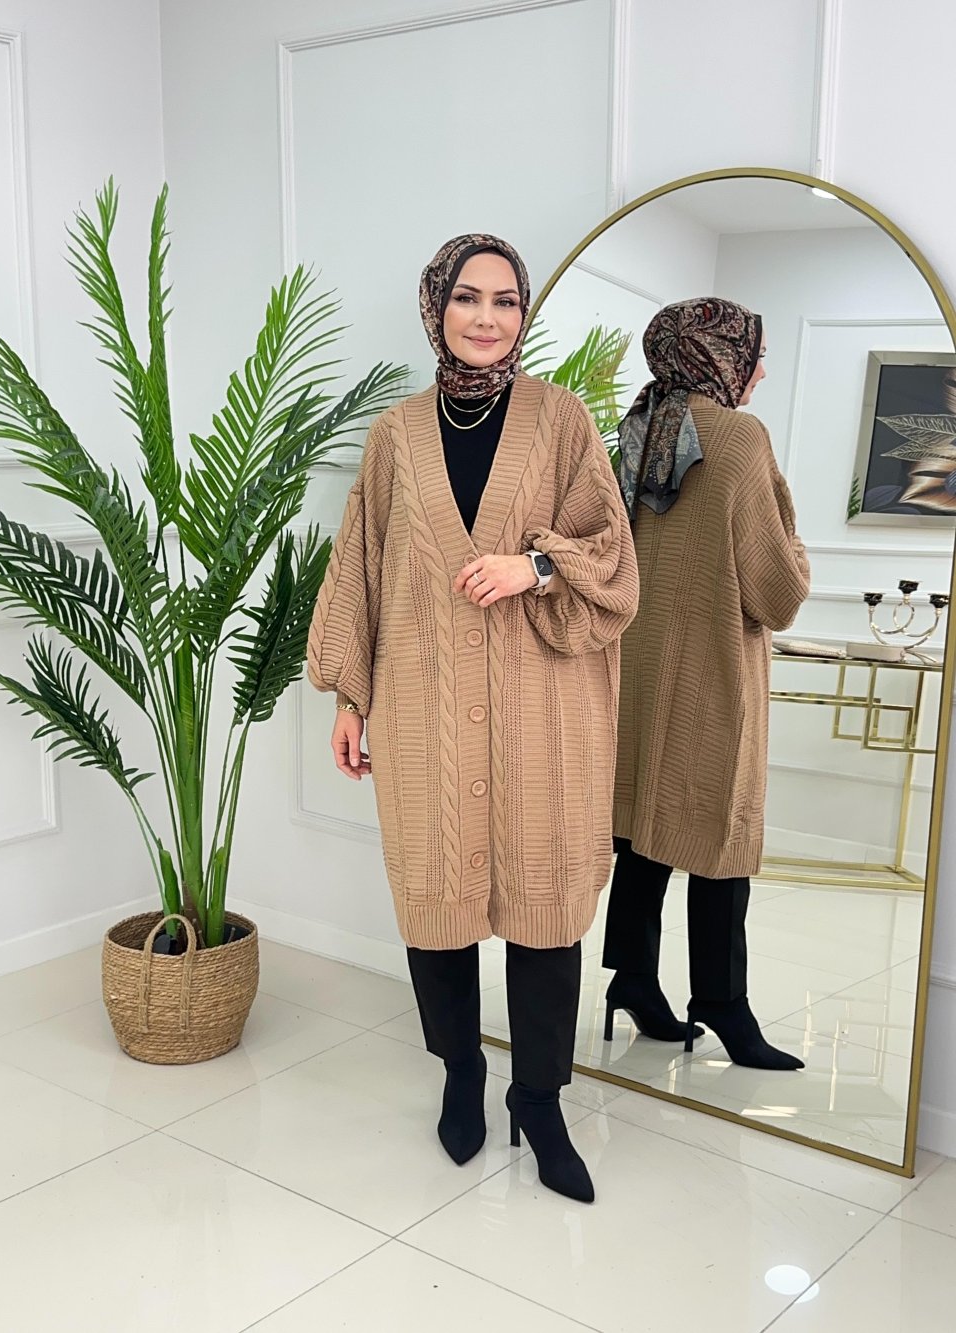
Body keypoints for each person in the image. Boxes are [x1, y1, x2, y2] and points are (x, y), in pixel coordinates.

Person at [307, 233, 638, 1202]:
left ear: (522, 315)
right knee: (436, 900)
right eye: (467, 297)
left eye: (505, 301)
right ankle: (461, 1070)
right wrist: (352, 697)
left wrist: (533, 567)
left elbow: (612, 552)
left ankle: (540, 1098)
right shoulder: (396, 435)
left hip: (542, 710)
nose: (486, 318)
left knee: (545, 909)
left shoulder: (562, 419)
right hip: (423, 705)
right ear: (435, 307)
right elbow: (362, 565)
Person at [602, 297, 810, 1071]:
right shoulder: (739, 437)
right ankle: (722, 1001)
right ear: (721, 357)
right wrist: (794, 537)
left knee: (643, 826)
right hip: (710, 678)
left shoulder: (637, 428)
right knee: (720, 831)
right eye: (756, 355)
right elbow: (778, 592)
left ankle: (632, 978)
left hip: (631, 672)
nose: (760, 372)